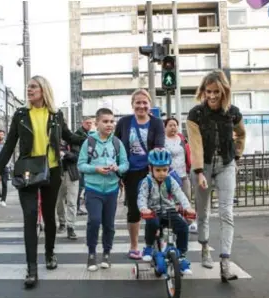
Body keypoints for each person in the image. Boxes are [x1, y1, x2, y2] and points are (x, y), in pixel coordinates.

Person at [0, 75, 86, 289]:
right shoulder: (21, 114)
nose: (29, 89)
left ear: (44, 90)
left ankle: (50, 253)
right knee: (30, 217)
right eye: (28, 87)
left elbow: (70, 137)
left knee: (50, 217)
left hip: (51, 172)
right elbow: (9, 144)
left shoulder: (55, 115)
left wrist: (92, 137)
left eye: (34, 87)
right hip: (27, 172)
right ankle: (31, 268)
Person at [186, 70, 246, 282]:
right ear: (203, 91)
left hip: (226, 165)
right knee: (203, 212)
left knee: (226, 213)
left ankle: (225, 263)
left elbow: (241, 133)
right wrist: (200, 171)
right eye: (208, 91)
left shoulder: (233, 112)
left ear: (224, 92)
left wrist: (237, 156)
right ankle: (204, 248)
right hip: (205, 166)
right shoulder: (195, 115)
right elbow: (195, 144)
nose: (212, 96)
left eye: (216, 92)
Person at [114, 89, 166, 260]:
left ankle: (156, 241)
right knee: (134, 210)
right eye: (138, 102)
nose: (141, 106)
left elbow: (159, 145)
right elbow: (116, 146)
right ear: (132, 104)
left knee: (155, 206)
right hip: (131, 172)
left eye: (145, 102)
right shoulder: (124, 122)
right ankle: (134, 245)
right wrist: (119, 172)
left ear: (149, 104)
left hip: (151, 170)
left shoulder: (157, 123)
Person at [77, 108, 129, 271]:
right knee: (94, 221)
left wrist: (117, 168)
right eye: (105, 121)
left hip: (112, 189)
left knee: (109, 224)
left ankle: (106, 253)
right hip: (93, 188)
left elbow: (125, 164)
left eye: (111, 121)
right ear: (97, 123)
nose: (109, 124)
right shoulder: (89, 142)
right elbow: (81, 165)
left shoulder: (117, 143)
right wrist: (96, 169)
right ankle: (92, 254)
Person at [138, 148, 194, 275]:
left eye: (165, 169)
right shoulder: (147, 182)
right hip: (153, 211)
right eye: (158, 170)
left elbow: (180, 195)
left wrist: (187, 207)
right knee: (152, 223)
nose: (162, 173)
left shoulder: (170, 181)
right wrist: (143, 208)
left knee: (183, 226)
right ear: (150, 169)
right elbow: (141, 197)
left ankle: (182, 256)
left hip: (169, 210)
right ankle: (148, 246)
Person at [55, 139, 81, 239]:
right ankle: (62, 222)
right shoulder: (52, 139)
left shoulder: (72, 140)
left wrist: (64, 154)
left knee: (72, 202)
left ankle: (71, 227)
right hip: (57, 175)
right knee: (59, 201)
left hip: (72, 174)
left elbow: (77, 157)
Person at [74, 117, 94, 216]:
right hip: (81, 164)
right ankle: (77, 207)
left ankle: (81, 206)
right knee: (80, 186)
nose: (89, 125)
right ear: (83, 123)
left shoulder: (87, 133)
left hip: (86, 163)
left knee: (84, 186)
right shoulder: (79, 134)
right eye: (87, 123)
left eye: (91, 123)